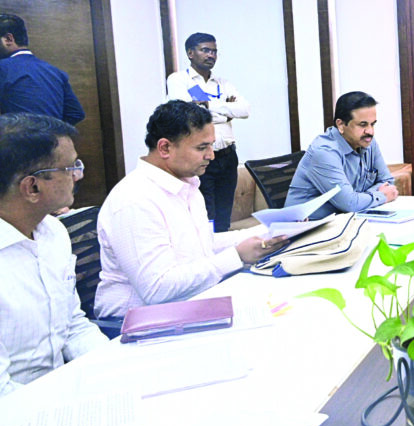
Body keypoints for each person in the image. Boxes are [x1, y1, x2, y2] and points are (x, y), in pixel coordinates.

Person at [95, 101, 286, 318]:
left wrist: (271, 231)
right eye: (202, 148)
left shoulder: (187, 184)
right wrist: (237, 256)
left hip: (190, 304)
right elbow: (157, 289)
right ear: (165, 148)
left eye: (211, 146)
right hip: (139, 321)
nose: (211, 155)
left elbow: (202, 245)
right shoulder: (134, 199)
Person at [0, 113, 107, 396]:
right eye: (70, 167)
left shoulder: (54, 232)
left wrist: (111, 368)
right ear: (32, 187)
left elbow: (73, 326)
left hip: (64, 389)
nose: (77, 175)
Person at [166, 32, 250, 232]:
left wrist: (208, 105)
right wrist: (226, 114)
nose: (211, 55)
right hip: (201, 158)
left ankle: (223, 249)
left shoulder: (223, 84)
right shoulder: (180, 80)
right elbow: (188, 114)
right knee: (205, 214)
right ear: (190, 53)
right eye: (205, 50)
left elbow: (245, 110)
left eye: (214, 51)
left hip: (227, 156)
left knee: (224, 214)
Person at [286, 91, 397, 218]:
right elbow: (350, 204)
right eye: (363, 124)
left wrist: (362, 197)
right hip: (307, 225)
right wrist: (381, 195)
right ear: (341, 125)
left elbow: (388, 183)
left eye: (372, 124)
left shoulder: (367, 142)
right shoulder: (324, 152)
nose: (370, 131)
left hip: (346, 219)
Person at [0, 13, 85, 125]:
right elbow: (75, 113)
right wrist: (48, 129)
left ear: (8, 39)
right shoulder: (55, 71)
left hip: (18, 135)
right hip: (54, 135)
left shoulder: (3, 68)